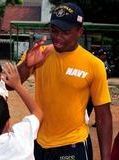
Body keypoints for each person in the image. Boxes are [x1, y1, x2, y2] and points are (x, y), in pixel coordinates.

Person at [17, 2, 112, 160]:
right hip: (39, 144)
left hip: (73, 145)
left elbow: (103, 117)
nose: (58, 37)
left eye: (65, 32)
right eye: (54, 31)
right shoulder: (39, 53)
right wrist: (27, 65)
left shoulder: (94, 65)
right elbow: (9, 84)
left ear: (79, 31)